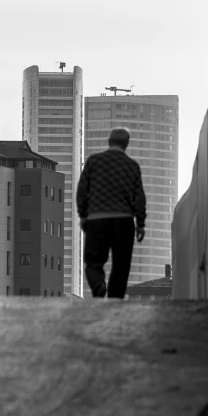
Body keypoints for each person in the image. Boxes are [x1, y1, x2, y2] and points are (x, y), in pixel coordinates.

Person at [76, 127, 146, 299]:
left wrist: (83, 215)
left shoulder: (93, 162)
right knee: (121, 264)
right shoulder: (132, 166)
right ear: (126, 144)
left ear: (109, 141)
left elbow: (82, 190)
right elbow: (139, 197)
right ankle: (115, 300)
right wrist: (141, 224)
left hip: (97, 219)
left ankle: (98, 285)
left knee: (93, 262)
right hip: (124, 221)